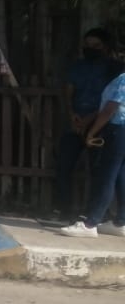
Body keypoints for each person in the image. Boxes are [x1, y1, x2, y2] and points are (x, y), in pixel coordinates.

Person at [53, 28, 120, 223]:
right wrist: (72, 114)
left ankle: (94, 215)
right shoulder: (78, 66)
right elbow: (68, 90)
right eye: (87, 45)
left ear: (106, 47)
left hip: (100, 126)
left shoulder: (114, 69)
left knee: (100, 172)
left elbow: (109, 102)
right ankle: (64, 211)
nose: (90, 49)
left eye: (96, 46)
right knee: (63, 166)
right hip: (75, 124)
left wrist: (90, 121)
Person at [59, 67, 125, 238]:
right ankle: (121, 221)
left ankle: (90, 223)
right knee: (120, 174)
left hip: (118, 129)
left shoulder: (123, 79)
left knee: (108, 175)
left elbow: (109, 109)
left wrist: (92, 132)